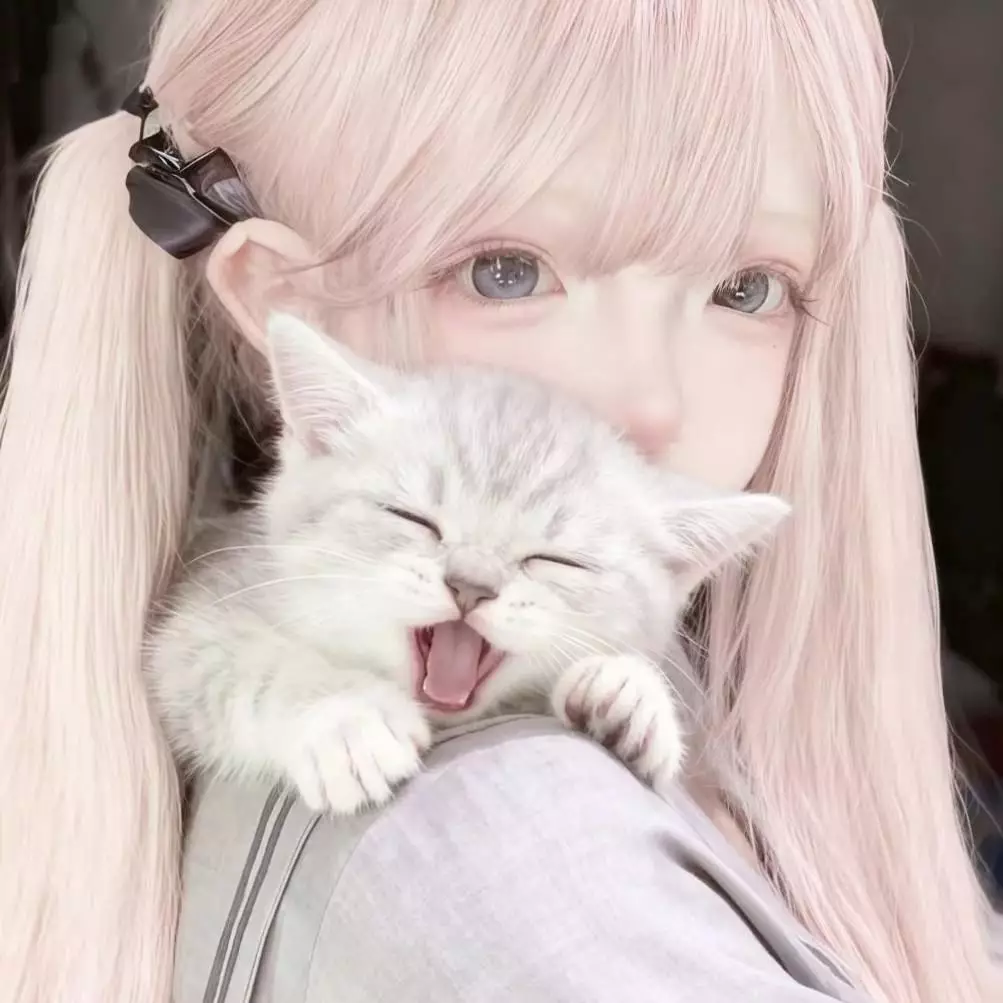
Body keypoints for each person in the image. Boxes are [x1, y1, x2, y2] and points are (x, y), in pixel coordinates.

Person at [0, 1, 997, 1001]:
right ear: (280, 297)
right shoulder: (514, 854)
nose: (652, 400)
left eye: (747, 289)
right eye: (506, 271)